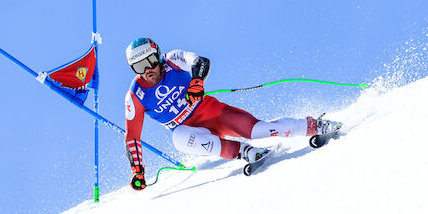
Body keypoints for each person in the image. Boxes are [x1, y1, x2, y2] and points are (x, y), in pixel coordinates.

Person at [124, 38, 341, 190]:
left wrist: (197, 81)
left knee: (259, 130)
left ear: (158, 55)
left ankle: (316, 126)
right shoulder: (136, 96)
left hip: (215, 114)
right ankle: (245, 153)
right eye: (139, 66)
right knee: (177, 137)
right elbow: (132, 137)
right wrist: (138, 170)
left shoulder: (172, 60)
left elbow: (200, 61)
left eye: (150, 61)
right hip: (194, 133)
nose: (147, 69)